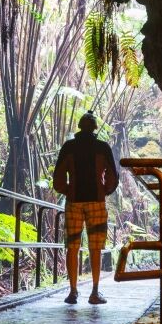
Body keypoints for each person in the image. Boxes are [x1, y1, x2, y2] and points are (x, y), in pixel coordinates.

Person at [53, 110, 119, 305]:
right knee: (95, 247)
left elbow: (57, 179)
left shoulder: (69, 147)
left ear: (80, 127)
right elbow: (113, 178)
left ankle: (73, 291)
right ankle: (95, 292)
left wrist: (69, 190)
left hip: (74, 202)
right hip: (96, 203)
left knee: (72, 247)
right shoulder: (102, 147)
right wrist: (103, 191)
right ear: (95, 128)